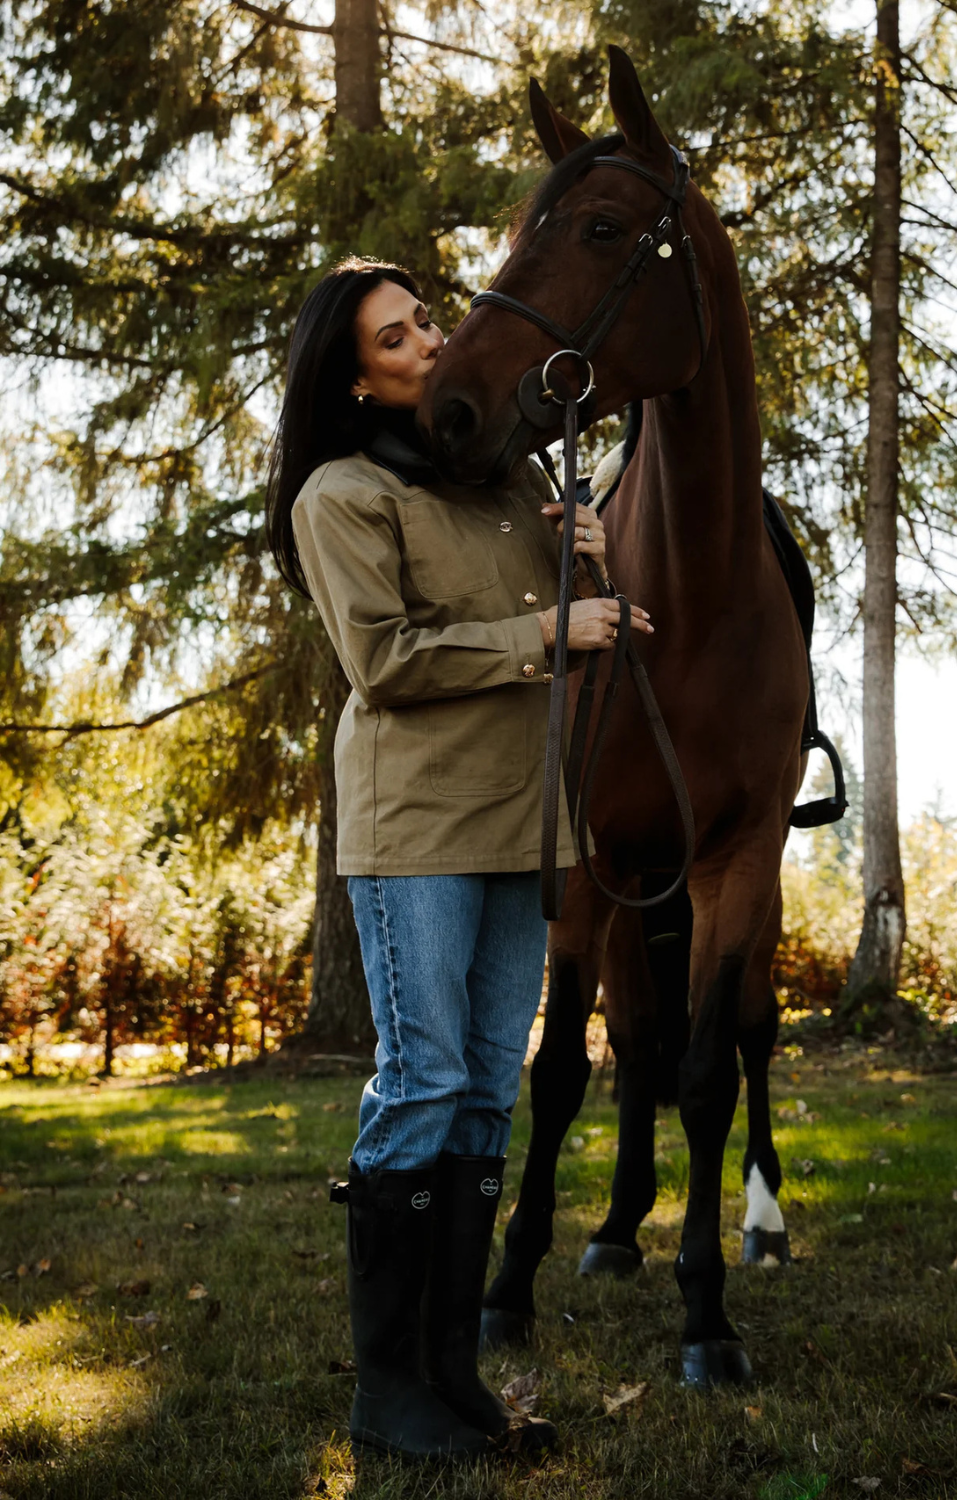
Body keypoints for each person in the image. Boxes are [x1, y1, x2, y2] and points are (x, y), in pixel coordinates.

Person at [265, 257, 653, 1462]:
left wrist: (588, 560)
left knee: (489, 1086)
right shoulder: (338, 496)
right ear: (357, 380)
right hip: (417, 827)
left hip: (522, 819)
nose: (430, 343)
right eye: (397, 339)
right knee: (424, 1079)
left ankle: (453, 1376)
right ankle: (389, 1396)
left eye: (426, 321)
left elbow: (582, 642)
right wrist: (548, 623)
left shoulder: (499, 484)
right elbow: (387, 662)